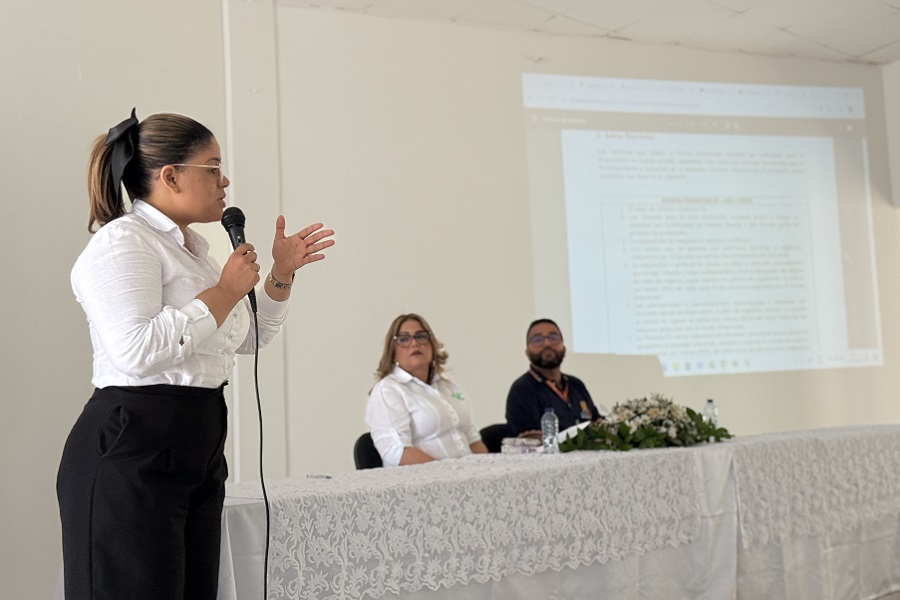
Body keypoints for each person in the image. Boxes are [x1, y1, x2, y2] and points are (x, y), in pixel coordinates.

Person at [56, 109, 334, 600]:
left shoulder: (195, 252)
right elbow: (137, 350)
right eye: (213, 166)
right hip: (134, 444)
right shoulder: (123, 243)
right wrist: (224, 291)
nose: (225, 180)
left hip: (197, 440)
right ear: (170, 176)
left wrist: (279, 277)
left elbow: (246, 338)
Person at [366, 313, 488, 467]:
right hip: (426, 483)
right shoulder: (388, 390)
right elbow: (396, 451)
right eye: (404, 339)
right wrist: (451, 474)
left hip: (468, 478)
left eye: (421, 336)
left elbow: (471, 438)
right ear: (393, 351)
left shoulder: (447, 386)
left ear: (432, 345)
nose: (414, 343)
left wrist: (488, 471)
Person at [505, 318, 602, 436]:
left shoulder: (576, 384)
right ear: (527, 353)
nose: (547, 344)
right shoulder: (522, 389)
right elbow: (528, 440)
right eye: (537, 339)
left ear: (564, 349)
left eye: (553, 338)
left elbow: (598, 423)